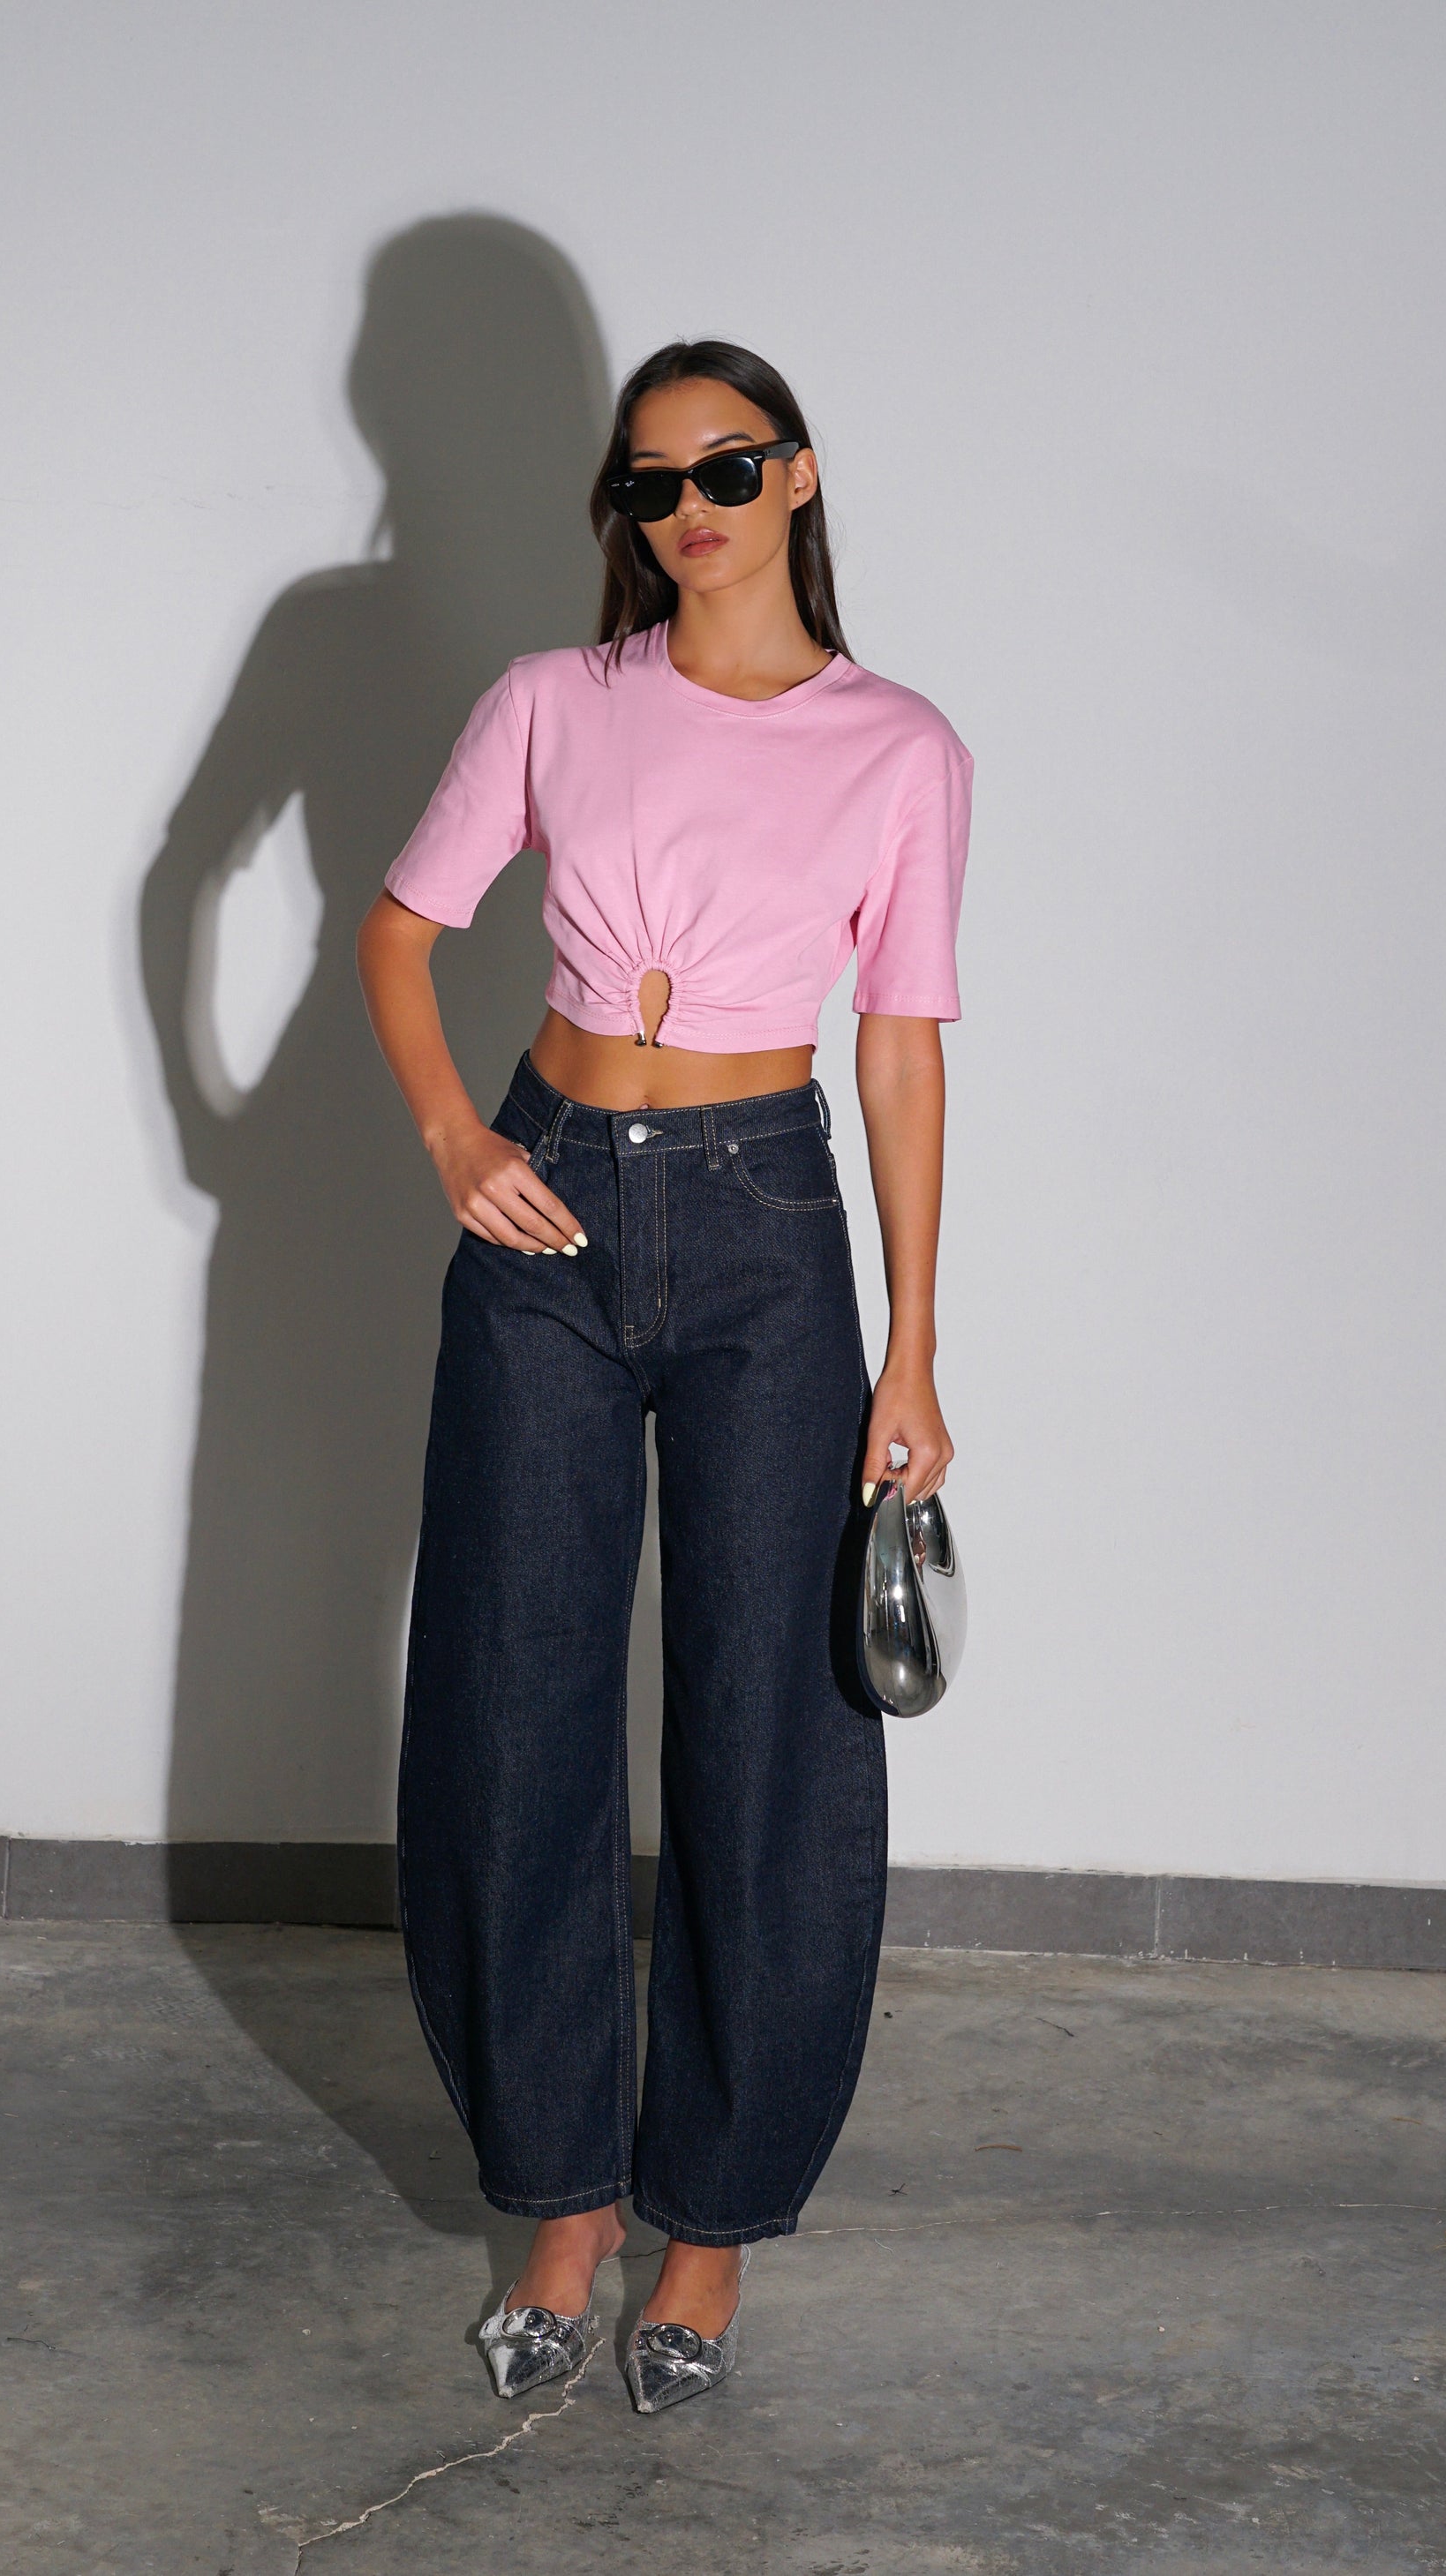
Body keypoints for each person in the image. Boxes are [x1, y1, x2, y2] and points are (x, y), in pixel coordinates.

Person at [357, 339, 971, 2415]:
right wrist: (456, 1136)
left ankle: (707, 2221)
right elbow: (399, 929)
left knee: (769, 1727)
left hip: (761, 1221)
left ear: (795, 476)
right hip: (545, 1200)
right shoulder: (555, 697)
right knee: (510, 1703)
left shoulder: (898, 745)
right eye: (647, 483)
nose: (685, 509)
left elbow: (900, 1044)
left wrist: (913, 1346)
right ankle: (560, 2196)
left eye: (723, 468)